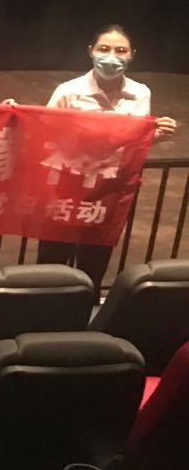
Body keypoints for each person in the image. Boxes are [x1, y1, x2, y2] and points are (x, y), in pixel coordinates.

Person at [36, 24, 179, 289]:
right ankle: (44, 308)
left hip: (109, 190)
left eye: (120, 50)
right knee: (52, 257)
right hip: (67, 187)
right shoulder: (69, 91)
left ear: (132, 55)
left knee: (95, 260)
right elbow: (45, 132)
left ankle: (84, 311)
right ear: (91, 51)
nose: (111, 57)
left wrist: (155, 136)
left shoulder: (140, 92)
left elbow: (133, 141)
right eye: (104, 49)